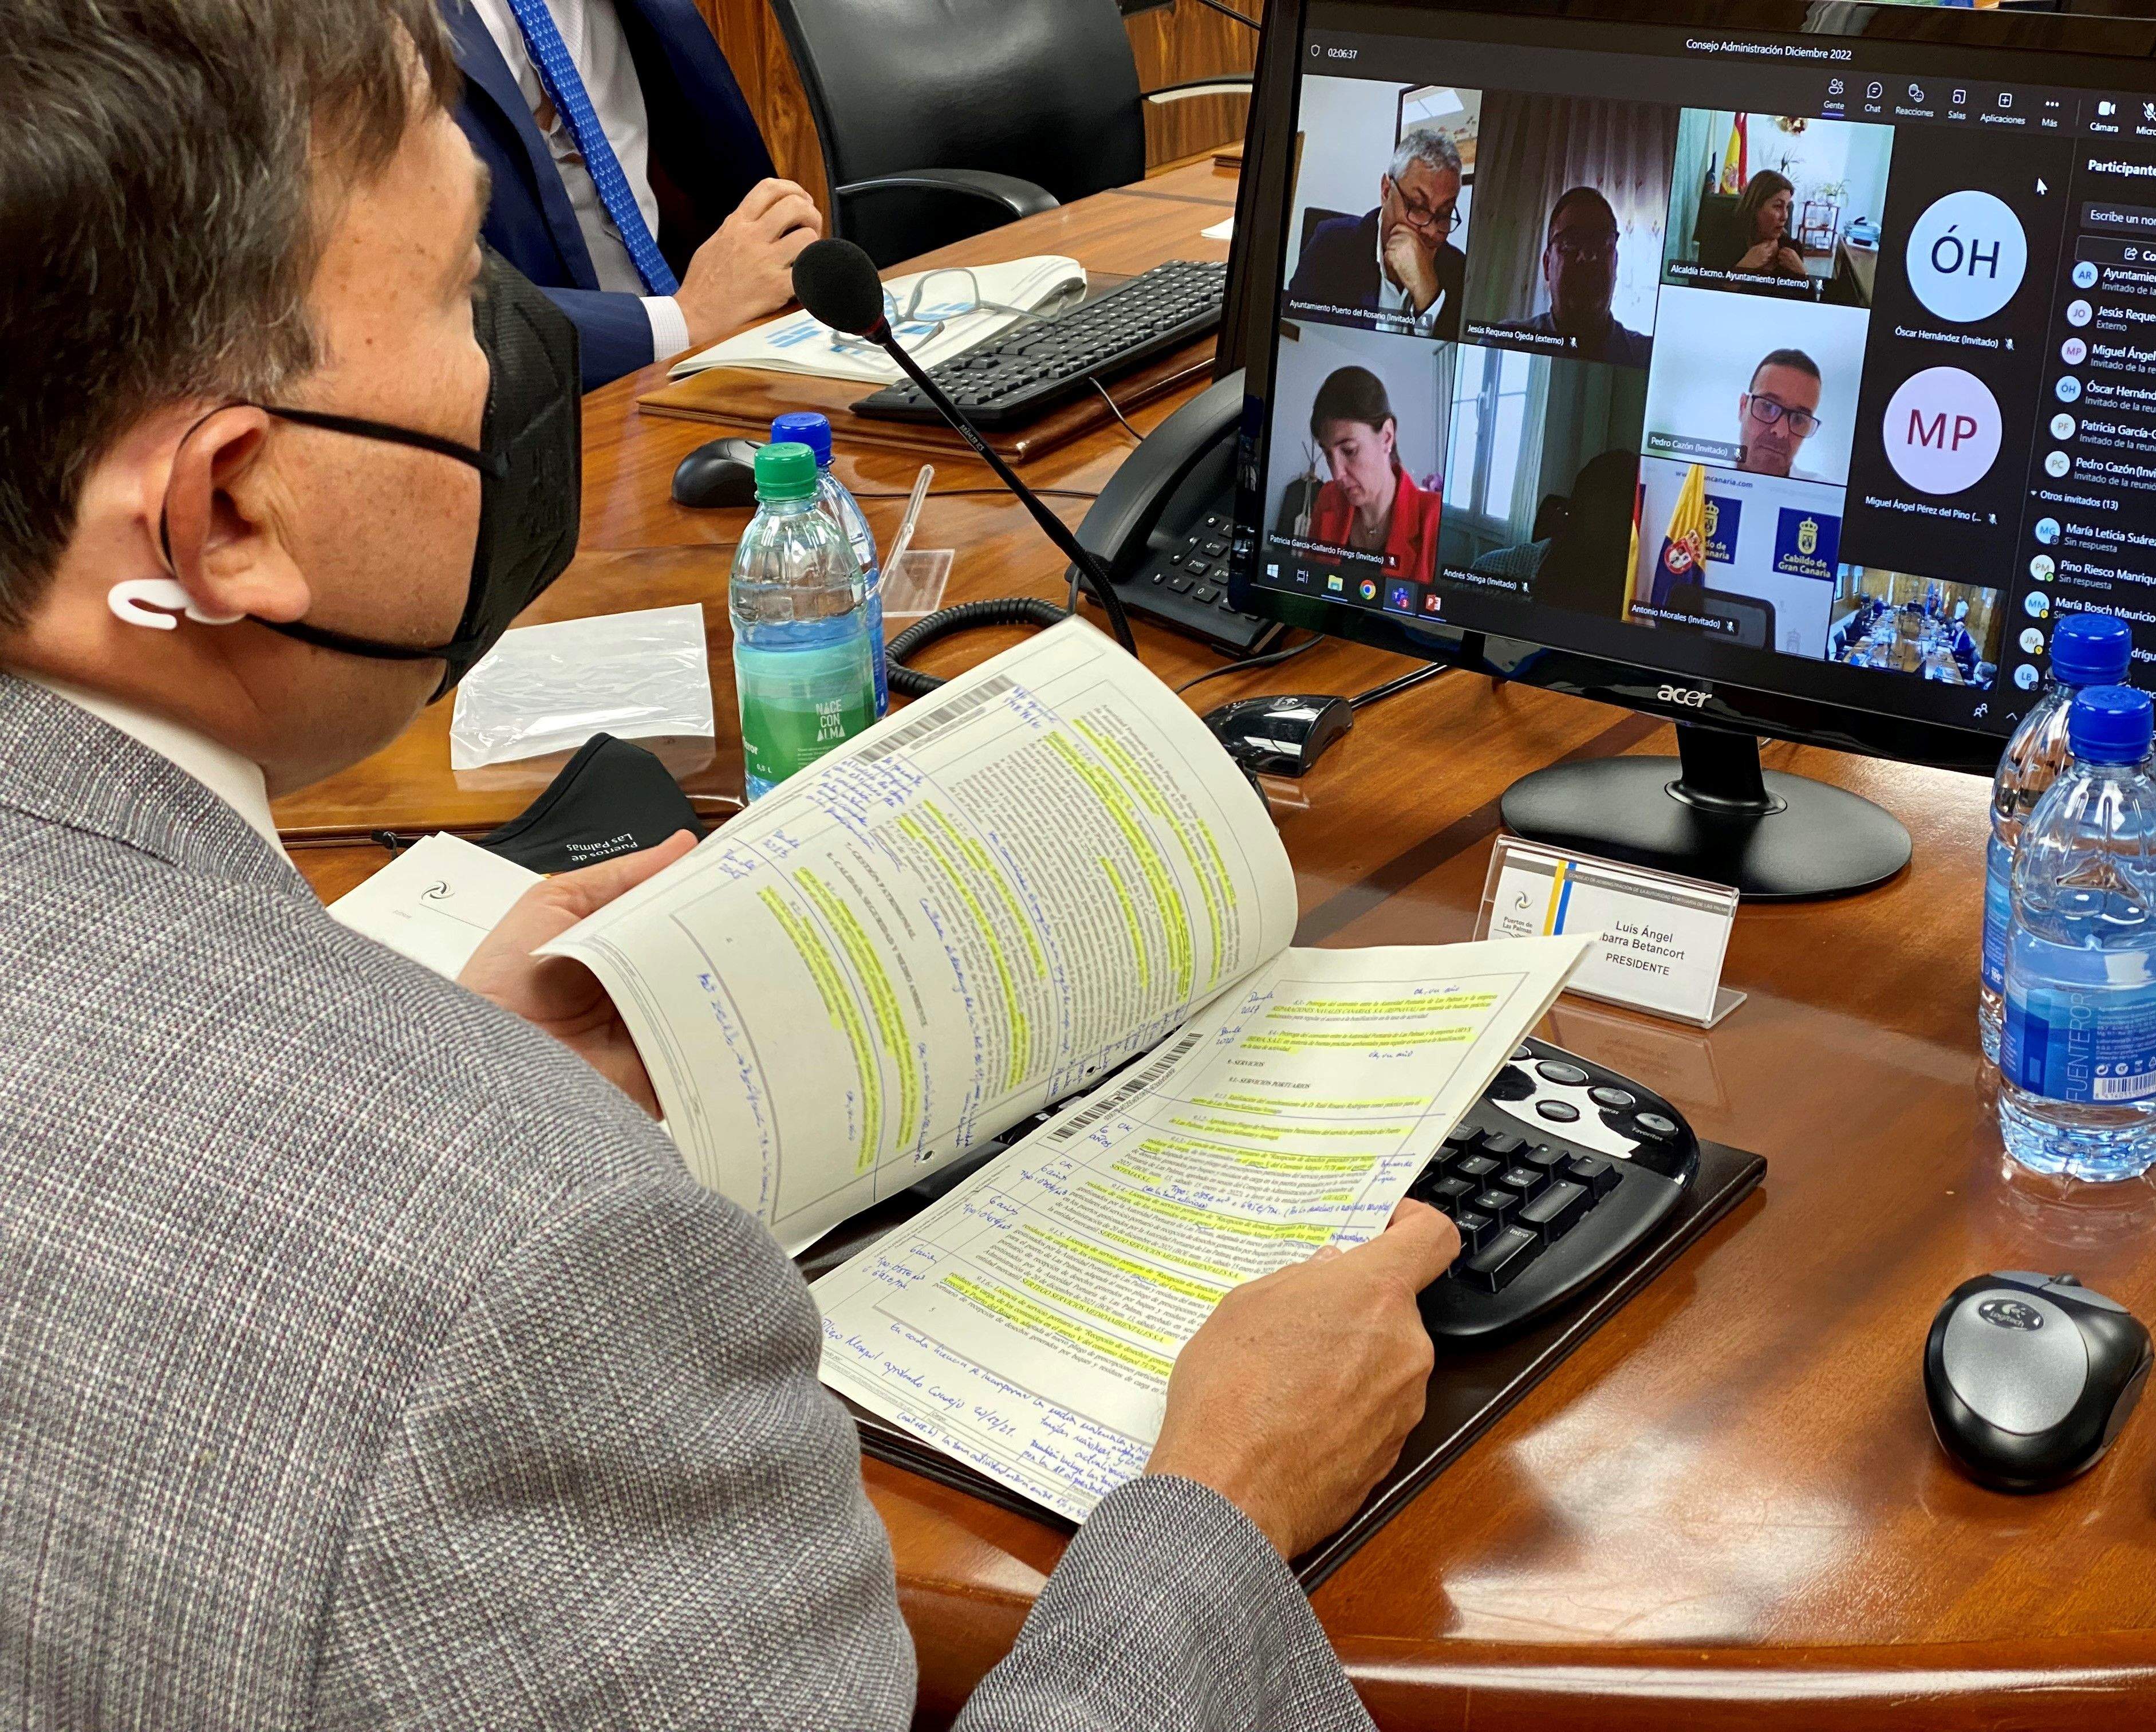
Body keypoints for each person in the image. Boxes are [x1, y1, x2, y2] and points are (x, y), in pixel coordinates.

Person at [0, 5, 1463, 1726]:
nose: (512, 361)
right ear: (229, 515)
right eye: (469, 290)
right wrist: (1222, 1501)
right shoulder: (523, 1278)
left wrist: (437, 1075)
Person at [442, 0, 823, 389]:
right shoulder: (404, 34)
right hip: (547, 401)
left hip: (721, 355)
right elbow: (431, 312)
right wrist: (684, 319)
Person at [1288, 128, 1468, 340]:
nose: (1431, 231)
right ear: (1386, 191)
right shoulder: (1331, 243)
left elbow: (1456, 353)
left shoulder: (1458, 269)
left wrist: (1429, 294)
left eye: (1445, 214)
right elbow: (1295, 329)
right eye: (1417, 207)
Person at [1302, 368, 1443, 582]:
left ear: (1387, 436)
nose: (1337, 474)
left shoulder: (1435, 519)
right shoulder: (1328, 498)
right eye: (1328, 455)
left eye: (1349, 450)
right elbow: (1307, 582)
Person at [1508, 187, 1651, 366]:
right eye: (1570, 241)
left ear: (1616, 264)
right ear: (1547, 265)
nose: (1588, 256)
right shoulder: (1504, 343)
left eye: (1602, 241)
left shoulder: (1649, 357)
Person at [1736, 348, 1825, 479]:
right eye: (1768, 407)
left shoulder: (1825, 491)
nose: (1781, 432)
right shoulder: (1705, 476)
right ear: (1743, 407)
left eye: (1799, 419)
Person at [1729, 169, 1807, 282]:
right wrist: (1745, 266)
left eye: (1787, 207)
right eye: (1778, 206)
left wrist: (1803, 274)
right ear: (1755, 207)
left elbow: (1809, 293)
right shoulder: (1729, 242)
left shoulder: (1792, 248)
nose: (1785, 217)